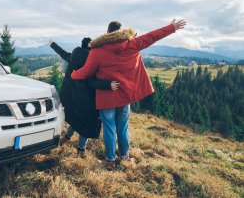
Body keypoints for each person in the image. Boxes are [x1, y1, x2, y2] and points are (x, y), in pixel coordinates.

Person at [71, 19, 186, 170]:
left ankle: (110, 161)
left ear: (107, 33)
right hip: (124, 97)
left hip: (106, 98)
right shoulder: (132, 44)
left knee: (109, 129)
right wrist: (172, 27)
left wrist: (74, 74)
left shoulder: (96, 52)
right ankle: (124, 157)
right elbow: (152, 36)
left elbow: (86, 72)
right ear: (121, 31)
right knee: (123, 129)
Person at [49, 38, 119, 158]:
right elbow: (91, 82)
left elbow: (62, 53)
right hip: (86, 99)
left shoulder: (73, 57)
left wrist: (52, 44)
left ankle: (66, 138)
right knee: (86, 124)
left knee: (76, 118)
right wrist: (108, 84)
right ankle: (81, 150)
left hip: (72, 97)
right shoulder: (90, 61)